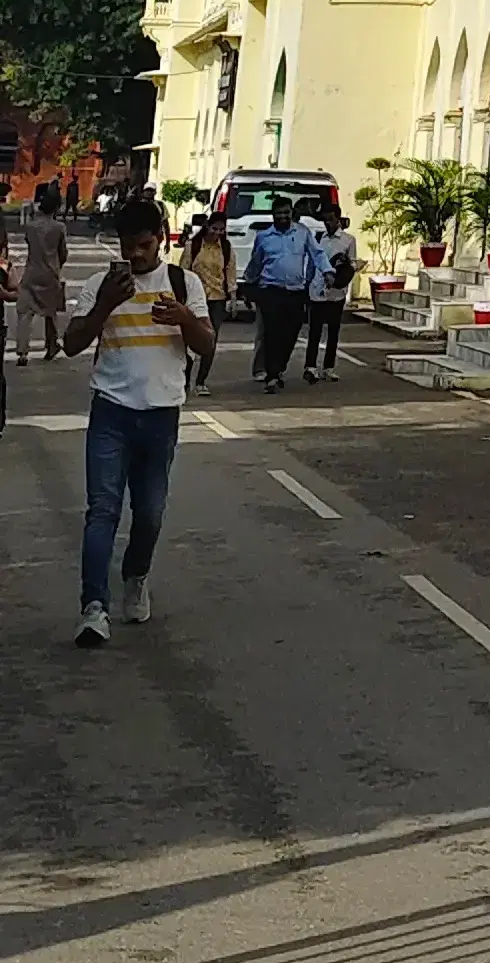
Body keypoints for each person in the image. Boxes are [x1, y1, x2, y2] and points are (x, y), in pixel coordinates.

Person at [63, 190, 212, 643]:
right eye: (128, 245)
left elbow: (207, 345)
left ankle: (136, 575)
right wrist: (105, 305)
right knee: (102, 511)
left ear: (160, 239)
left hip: (161, 414)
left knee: (149, 512)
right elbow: (71, 343)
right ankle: (94, 608)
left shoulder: (184, 284)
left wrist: (184, 318)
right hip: (111, 412)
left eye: (144, 245)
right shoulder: (100, 285)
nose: (135, 254)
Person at [240, 194, 315, 393]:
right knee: (271, 333)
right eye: (279, 213)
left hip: (295, 291)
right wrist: (247, 284)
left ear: (292, 213)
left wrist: (328, 272)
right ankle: (272, 376)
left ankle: (279, 368)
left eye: (286, 213)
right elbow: (256, 262)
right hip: (271, 291)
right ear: (273, 215)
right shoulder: (264, 237)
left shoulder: (303, 233)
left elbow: (317, 254)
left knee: (290, 334)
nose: (283, 216)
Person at [13, 183, 69, 366]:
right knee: (50, 312)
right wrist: (57, 265)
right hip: (51, 273)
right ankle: (51, 345)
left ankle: (22, 352)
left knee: (24, 312)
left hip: (32, 271)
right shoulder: (59, 227)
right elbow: (63, 253)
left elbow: (29, 243)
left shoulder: (31, 227)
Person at [303, 208, 355, 381]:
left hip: (336, 292)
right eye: (325, 220)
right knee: (315, 330)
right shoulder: (318, 238)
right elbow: (312, 263)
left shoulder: (348, 240)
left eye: (331, 219)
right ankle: (310, 365)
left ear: (338, 219)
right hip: (317, 289)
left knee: (333, 331)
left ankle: (329, 367)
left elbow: (352, 266)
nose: (328, 223)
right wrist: (307, 283)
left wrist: (342, 274)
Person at [179, 214, 230, 388]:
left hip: (217, 299)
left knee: (210, 340)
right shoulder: (192, 246)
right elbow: (183, 272)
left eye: (221, 229)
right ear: (207, 226)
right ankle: (185, 379)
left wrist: (232, 297)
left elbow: (229, 272)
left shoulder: (226, 248)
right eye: (214, 228)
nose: (217, 233)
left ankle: (201, 381)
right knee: (189, 338)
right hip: (194, 298)